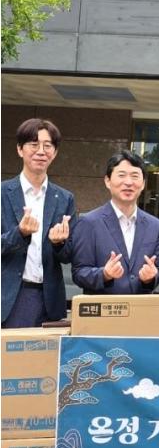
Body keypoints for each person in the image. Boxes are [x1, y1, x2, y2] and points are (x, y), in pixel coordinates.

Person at [1, 118, 76, 327]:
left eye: (48, 145)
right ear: (20, 149)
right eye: (34, 144)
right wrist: (20, 233)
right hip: (9, 296)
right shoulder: (2, 193)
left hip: (49, 299)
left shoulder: (65, 198)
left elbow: (69, 254)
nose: (41, 151)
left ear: (55, 152)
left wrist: (59, 243)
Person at [71, 150, 159, 294]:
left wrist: (150, 278)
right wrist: (104, 274)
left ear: (143, 184)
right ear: (107, 181)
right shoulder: (89, 222)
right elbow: (79, 272)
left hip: (140, 306)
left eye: (135, 176)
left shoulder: (155, 226)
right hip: (104, 306)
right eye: (121, 175)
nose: (128, 182)